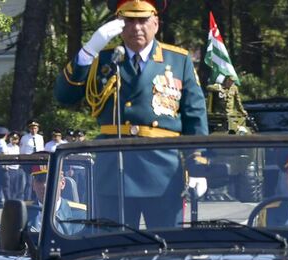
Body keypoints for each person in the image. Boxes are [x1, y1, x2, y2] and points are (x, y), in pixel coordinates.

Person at [53, 0, 209, 228]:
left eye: (143, 20)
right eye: (129, 20)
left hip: (163, 171)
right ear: (118, 24)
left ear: (156, 22)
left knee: (165, 250)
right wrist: (89, 49)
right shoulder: (102, 59)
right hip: (114, 169)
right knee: (113, 250)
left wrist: (198, 167)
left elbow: (195, 117)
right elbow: (64, 95)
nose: (136, 27)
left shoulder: (178, 60)